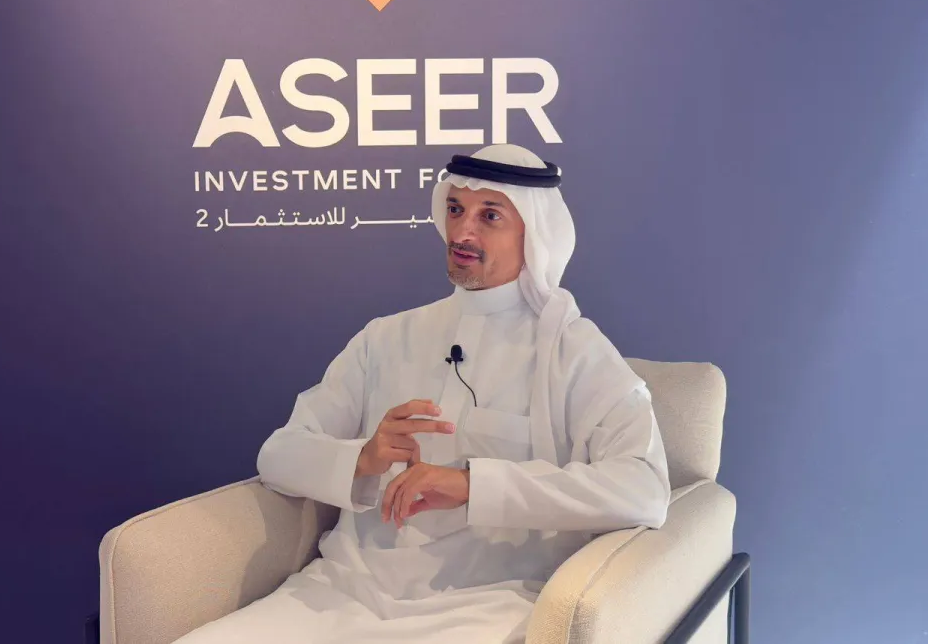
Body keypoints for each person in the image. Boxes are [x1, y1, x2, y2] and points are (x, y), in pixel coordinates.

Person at [174, 144, 671, 643]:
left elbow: (643, 488)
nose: (462, 232)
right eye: (455, 209)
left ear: (535, 233)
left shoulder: (572, 350)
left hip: (489, 604)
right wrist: (363, 459)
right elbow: (278, 455)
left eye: (489, 216)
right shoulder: (386, 338)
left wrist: (475, 485)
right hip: (342, 590)